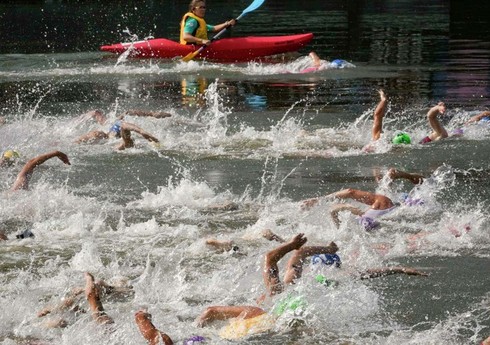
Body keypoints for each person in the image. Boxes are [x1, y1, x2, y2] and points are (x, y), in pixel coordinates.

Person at [196, 233, 339, 327]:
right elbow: (300, 253)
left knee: (209, 311)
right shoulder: (325, 288)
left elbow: (271, 258)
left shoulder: (279, 291)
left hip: (266, 314)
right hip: (277, 319)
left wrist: (291, 245)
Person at [75, 120, 159, 150]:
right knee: (123, 127)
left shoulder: (109, 140)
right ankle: (141, 131)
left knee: (126, 142)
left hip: (114, 135)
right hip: (116, 132)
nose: (97, 132)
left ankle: (140, 131)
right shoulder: (111, 140)